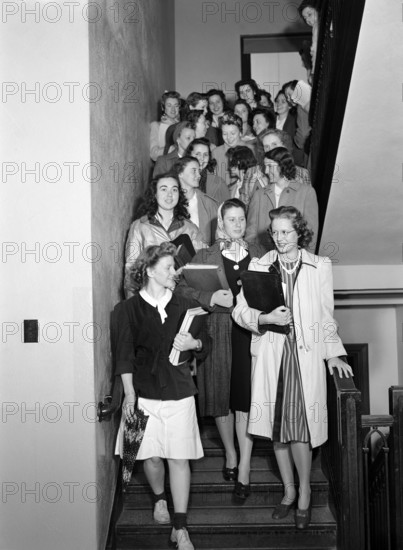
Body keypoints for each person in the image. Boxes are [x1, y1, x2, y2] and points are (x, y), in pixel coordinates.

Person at [232, 206, 353, 528]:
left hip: (305, 356)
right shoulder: (259, 265)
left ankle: (305, 492)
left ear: (299, 232)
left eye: (286, 231)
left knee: (300, 428)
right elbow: (239, 311)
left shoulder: (319, 266)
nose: (280, 238)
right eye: (275, 232)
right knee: (277, 430)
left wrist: (334, 355)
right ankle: (287, 491)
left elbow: (327, 316)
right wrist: (264, 318)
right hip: (273, 354)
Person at [115, 242, 210, 550]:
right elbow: (124, 356)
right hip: (144, 395)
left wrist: (192, 344)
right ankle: (159, 498)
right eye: (169, 267)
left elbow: (204, 342)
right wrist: (129, 395)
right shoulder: (127, 310)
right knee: (152, 457)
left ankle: (180, 528)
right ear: (150, 271)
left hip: (181, 392)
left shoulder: (185, 304)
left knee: (179, 459)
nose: (174, 272)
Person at [176, 199, 265, 500]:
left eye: (241, 219)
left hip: (249, 332)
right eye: (231, 219)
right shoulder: (205, 255)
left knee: (245, 400)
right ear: (221, 222)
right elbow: (181, 290)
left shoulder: (260, 255)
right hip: (216, 330)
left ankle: (244, 468)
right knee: (219, 398)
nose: (237, 224)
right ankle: (230, 453)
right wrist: (211, 297)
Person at [124, 173, 206, 298]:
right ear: (155, 194)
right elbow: (131, 269)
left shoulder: (190, 228)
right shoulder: (140, 227)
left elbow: (202, 267)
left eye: (174, 189)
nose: (170, 194)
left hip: (183, 298)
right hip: (151, 298)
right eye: (163, 189)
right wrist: (134, 307)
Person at [245, 147, 318, 251]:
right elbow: (250, 234)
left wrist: (306, 260)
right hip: (263, 257)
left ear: (283, 165)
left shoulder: (307, 193)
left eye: (270, 166)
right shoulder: (259, 195)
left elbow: (311, 233)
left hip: (294, 259)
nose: (266, 171)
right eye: (265, 166)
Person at [172, 157, 219, 246]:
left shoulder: (209, 204)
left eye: (199, 171)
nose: (199, 175)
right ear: (180, 173)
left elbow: (218, 240)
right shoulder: (169, 203)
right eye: (194, 171)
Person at [212, 112, 255, 187]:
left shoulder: (251, 150)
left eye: (233, 133)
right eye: (225, 134)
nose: (229, 137)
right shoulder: (216, 152)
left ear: (240, 132)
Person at [185, 138, 230, 204]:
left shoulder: (219, 183)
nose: (202, 158)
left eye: (205, 155)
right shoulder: (179, 180)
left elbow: (229, 209)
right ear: (189, 155)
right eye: (198, 154)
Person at [150, 91, 181, 162]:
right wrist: (173, 148)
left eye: (176, 105)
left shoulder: (182, 126)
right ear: (163, 107)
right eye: (169, 105)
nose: (173, 109)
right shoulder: (156, 126)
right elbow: (153, 154)